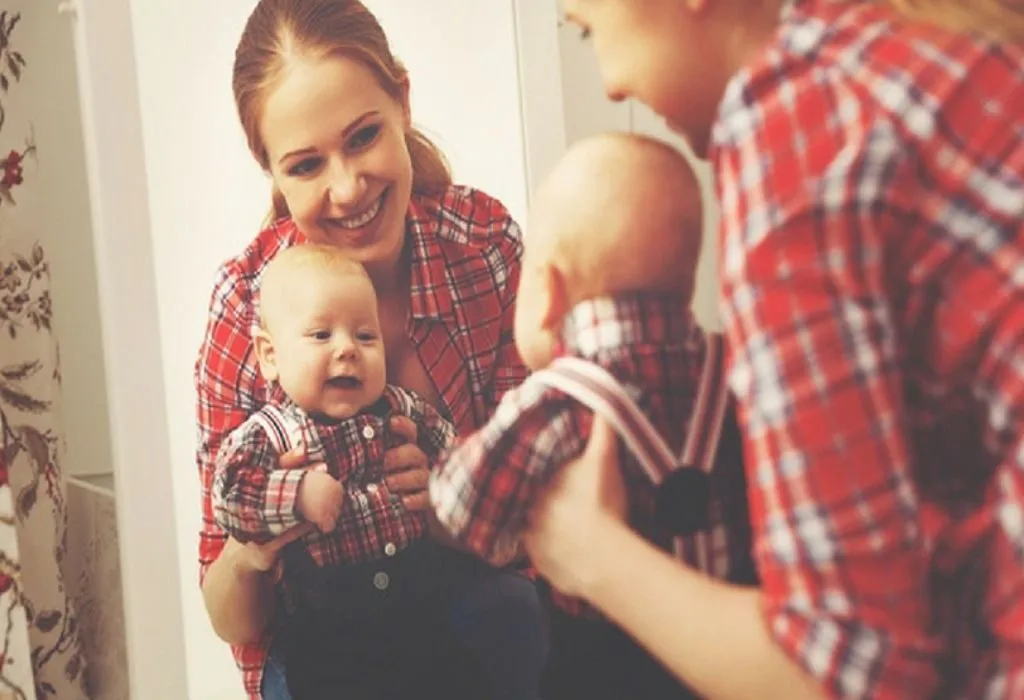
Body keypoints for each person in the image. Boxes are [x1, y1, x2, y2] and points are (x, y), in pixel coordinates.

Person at [524, 1, 1024, 699]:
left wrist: (588, 550)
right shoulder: (933, 44)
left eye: (588, 28)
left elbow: (845, 677)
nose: (608, 84)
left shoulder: (802, 127)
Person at [194, 1, 545, 698]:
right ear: (271, 171)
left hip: (479, 624)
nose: (348, 188)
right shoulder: (245, 307)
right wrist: (262, 533)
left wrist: (449, 509)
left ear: (403, 102)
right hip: (335, 653)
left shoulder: (483, 248)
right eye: (305, 164)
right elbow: (232, 618)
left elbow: (545, 525)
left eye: (362, 137)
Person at [430, 132, 756, 700]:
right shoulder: (735, 373)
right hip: (726, 655)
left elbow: (462, 509)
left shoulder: (555, 402)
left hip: (606, 669)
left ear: (548, 290)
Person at [211, 244, 545, 699]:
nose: (347, 349)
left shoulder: (399, 409)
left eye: (365, 337)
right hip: (329, 634)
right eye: (320, 335)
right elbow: (231, 493)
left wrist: (444, 486)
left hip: (422, 613)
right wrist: (295, 494)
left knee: (457, 673)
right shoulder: (271, 433)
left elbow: (461, 458)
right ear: (270, 355)